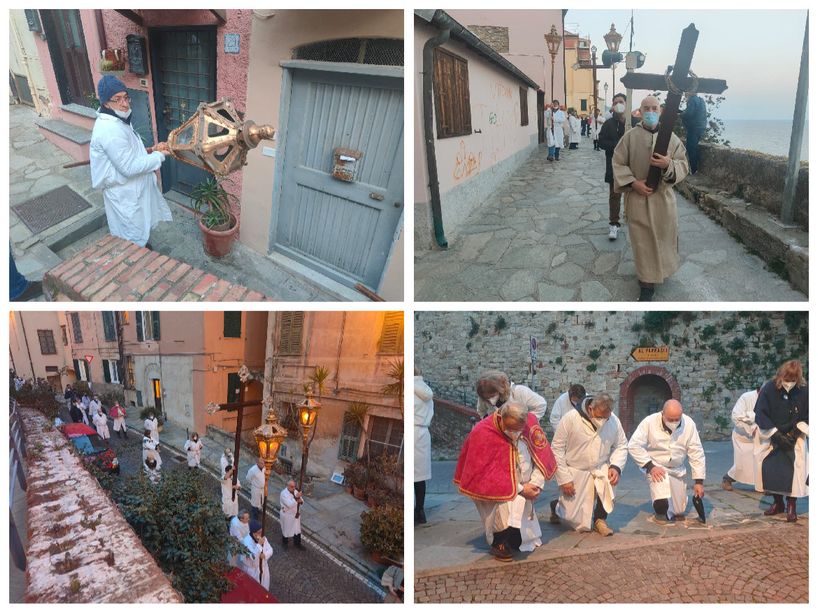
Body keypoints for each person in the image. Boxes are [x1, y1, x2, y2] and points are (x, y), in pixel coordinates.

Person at [453, 401, 557, 562]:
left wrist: (536, 483)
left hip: (527, 485)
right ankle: (499, 541)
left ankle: (514, 537)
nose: (515, 434)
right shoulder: (482, 432)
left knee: (519, 537)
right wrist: (521, 489)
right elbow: (487, 475)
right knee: (504, 510)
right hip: (496, 493)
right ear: (501, 418)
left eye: (519, 430)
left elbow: (541, 456)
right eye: (511, 429)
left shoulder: (529, 424)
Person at [613, 95, 690, 301]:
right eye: (646, 108)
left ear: (660, 111)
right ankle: (646, 283)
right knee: (643, 243)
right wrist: (633, 183)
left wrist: (668, 165)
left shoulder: (672, 139)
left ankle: (662, 270)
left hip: (663, 200)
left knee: (665, 238)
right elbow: (618, 163)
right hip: (638, 199)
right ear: (640, 111)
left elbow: (683, 165)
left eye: (654, 108)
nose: (650, 112)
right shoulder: (629, 137)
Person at [90, 76, 172, 248]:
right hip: (124, 192)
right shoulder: (109, 130)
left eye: (126, 97)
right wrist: (159, 156)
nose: (125, 104)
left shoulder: (118, 119)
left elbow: (128, 152)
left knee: (138, 227)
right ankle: (136, 257)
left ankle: (141, 248)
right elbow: (128, 167)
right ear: (106, 103)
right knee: (131, 234)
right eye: (117, 99)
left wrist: (151, 150)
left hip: (131, 189)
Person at [550, 394, 628, 536]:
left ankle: (600, 520)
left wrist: (615, 466)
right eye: (600, 417)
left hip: (600, 466)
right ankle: (556, 506)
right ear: (591, 409)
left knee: (609, 483)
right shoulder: (570, 418)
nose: (603, 421)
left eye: (606, 417)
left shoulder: (613, 420)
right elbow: (557, 448)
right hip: (575, 468)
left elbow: (621, 445)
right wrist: (564, 478)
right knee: (571, 517)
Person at [627, 399, 706, 523]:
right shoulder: (649, 422)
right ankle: (660, 511)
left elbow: (696, 452)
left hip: (677, 468)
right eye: (670, 419)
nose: (674, 422)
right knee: (662, 497)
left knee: (678, 510)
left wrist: (699, 481)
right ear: (662, 414)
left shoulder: (689, 424)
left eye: (677, 419)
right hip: (656, 466)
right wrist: (650, 466)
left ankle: (670, 506)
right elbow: (634, 445)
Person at [753, 360, 808, 522]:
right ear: (781, 375)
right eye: (787, 379)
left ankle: (791, 505)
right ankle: (778, 502)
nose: (789, 382)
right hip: (772, 435)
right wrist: (776, 435)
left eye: (793, 380)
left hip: (795, 436)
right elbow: (761, 413)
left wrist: (794, 434)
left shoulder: (804, 390)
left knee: (795, 471)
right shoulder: (769, 389)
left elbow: (809, 414)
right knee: (771, 469)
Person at [598, 93, 638, 242]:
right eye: (615, 103)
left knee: (635, 194)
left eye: (620, 102)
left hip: (634, 165)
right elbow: (601, 142)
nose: (618, 105)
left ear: (626, 104)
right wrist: (618, 146)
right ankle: (614, 223)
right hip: (614, 164)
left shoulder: (635, 122)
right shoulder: (608, 124)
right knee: (615, 195)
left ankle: (636, 221)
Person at [722, 388, 760, 490]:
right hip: (743, 437)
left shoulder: (769, 399)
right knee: (741, 465)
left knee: (761, 462)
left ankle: (764, 486)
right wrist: (750, 428)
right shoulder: (746, 397)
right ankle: (727, 479)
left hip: (760, 437)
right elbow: (736, 417)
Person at [474, 370, 547, 420]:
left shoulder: (519, 392)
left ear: (501, 388)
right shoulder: (483, 396)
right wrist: (489, 422)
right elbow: (481, 411)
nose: (490, 400)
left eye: (492, 395)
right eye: (487, 398)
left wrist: (526, 421)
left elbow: (541, 404)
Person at [414, 366, 434, 525]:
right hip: (424, 433)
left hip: (413, 430)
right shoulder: (426, 390)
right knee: (420, 477)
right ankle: (420, 511)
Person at [239, 520, 273, 591]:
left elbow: (270, 550)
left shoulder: (263, 538)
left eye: (261, 531)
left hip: (263, 569)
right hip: (253, 571)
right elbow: (253, 557)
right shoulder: (246, 542)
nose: (261, 534)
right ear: (253, 533)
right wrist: (259, 545)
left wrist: (265, 555)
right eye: (259, 532)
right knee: (253, 589)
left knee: (264, 588)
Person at [681, 92, 707, 174]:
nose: (685, 96)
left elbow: (689, 114)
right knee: (694, 147)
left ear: (689, 94)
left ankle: (693, 169)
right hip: (701, 127)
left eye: (685, 94)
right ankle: (695, 168)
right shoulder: (700, 100)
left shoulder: (692, 100)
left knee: (691, 148)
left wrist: (680, 115)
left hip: (694, 127)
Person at [280, 480, 305, 550]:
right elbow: (289, 505)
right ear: (287, 486)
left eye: (294, 486)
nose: (293, 488)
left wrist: (301, 501)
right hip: (287, 516)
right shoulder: (283, 494)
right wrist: (297, 498)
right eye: (292, 487)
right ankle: (285, 543)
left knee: (297, 530)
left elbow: (301, 500)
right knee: (286, 530)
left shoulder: (295, 491)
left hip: (295, 515)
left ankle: (297, 543)